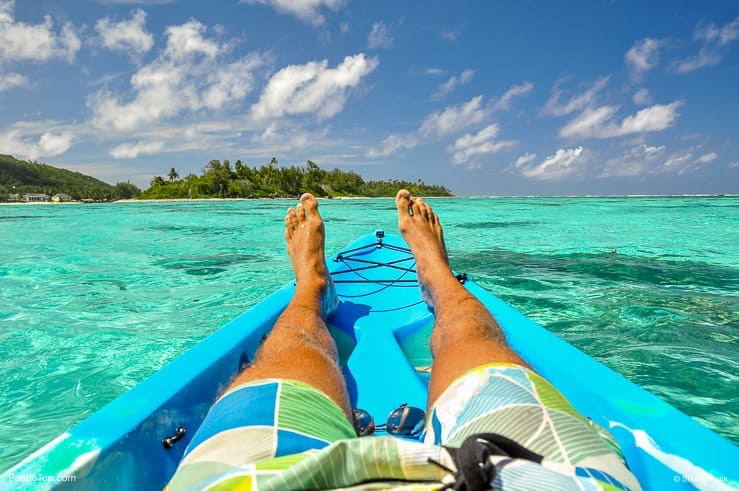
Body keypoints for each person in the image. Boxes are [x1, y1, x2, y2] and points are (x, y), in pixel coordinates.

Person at [167, 191, 641, 491]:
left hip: (262, 480)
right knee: (469, 334)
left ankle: (311, 288)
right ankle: (438, 279)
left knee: (295, 344)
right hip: (536, 477)